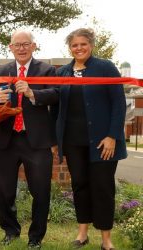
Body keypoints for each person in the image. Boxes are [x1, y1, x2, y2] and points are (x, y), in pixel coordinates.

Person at [0, 30, 58, 249]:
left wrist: (32, 94)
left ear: (34, 46)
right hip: (8, 140)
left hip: (37, 142)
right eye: (17, 45)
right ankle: (10, 231)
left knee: (41, 191)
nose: (22, 48)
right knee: (6, 191)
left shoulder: (46, 70)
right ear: (10, 47)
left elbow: (56, 94)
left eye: (26, 44)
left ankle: (36, 237)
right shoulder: (0, 71)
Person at [55, 28, 127, 250]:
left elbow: (118, 103)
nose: (79, 48)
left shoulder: (105, 67)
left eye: (83, 44)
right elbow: (56, 108)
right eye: (74, 45)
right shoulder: (63, 73)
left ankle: (106, 239)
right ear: (70, 48)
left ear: (91, 45)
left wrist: (112, 136)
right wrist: (57, 141)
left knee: (103, 187)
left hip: (103, 142)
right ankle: (82, 233)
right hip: (73, 142)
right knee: (80, 186)